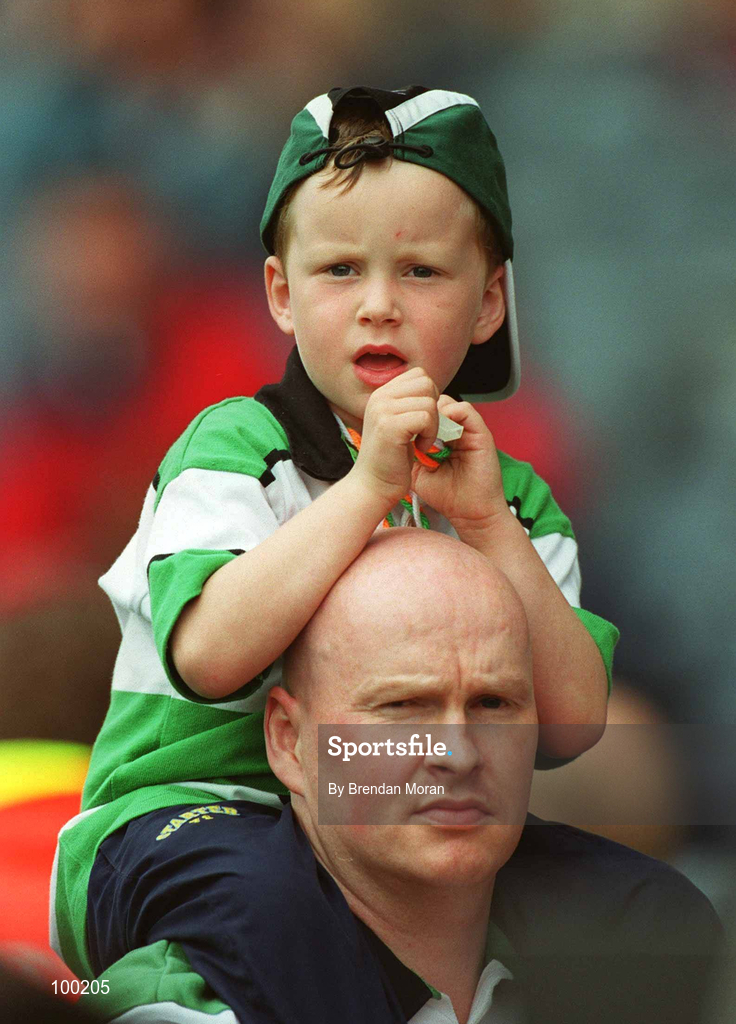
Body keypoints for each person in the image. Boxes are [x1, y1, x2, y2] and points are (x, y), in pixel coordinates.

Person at [53, 86, 619, 1014]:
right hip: (188, 817)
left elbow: (569, 724)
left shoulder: (510, 497)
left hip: (414, 827)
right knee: (274, 910)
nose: (380, 307)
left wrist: (483, 527)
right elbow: (207, 654)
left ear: (489, 303)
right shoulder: (233, 448)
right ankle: (154, 990)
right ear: (281, 291)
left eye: (425, 273)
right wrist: (367, 492)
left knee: (637, 905)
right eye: (341, 271)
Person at [80, 531, 720, 1023]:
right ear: (288, 742)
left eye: (494, 705)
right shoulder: (181, 1003)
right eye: (402, 707)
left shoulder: (646, 954)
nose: (458, 753)